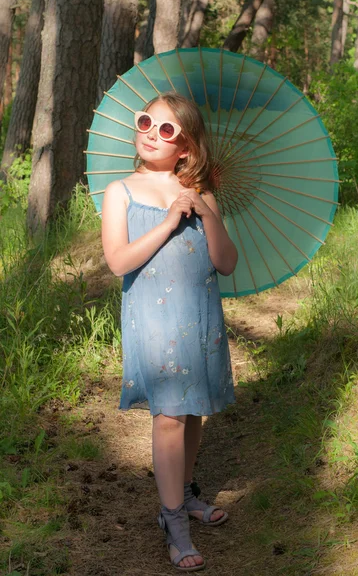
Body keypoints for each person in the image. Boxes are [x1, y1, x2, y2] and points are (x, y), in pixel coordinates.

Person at [101, 91, 238, 572]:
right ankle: (173, 519)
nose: (150, 134)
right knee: (169, 416)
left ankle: (183, 492)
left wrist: (204, 211)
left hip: (200, 319)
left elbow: (225, 262)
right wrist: (166, 222)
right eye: (145, 123)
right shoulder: (122, 191)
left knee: (195, 410)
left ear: (186, 147)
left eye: (165, 129)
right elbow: (118, 260)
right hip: (155, 322)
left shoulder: (201, 195)